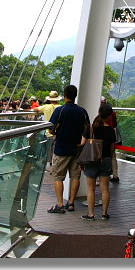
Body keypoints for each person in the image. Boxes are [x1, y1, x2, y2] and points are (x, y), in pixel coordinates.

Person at [46, 85, 90, 214]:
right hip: (77, 149)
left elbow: (51, 128)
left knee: (58, 177)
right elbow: (88, 128)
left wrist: (57, 133)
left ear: (64, 95)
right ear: (75, 95)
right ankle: (71, 202)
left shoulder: (60, 110)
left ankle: (60, 204)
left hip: (61, 148)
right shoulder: (82, 111)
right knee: (75, 176)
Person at [79, 104, 117, 220]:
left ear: (99, 111)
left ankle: (91, 214)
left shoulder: (90, 128)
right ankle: (105, 214)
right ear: (110, 115)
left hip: (91, 160)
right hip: (105, 160)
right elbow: (112, 149)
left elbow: (82, 144)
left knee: (91, 189)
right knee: (105, 188)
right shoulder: (111, 130)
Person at [33, 91, 62, 165]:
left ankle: (47, 164)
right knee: (56, 152)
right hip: (58, 133)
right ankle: (53, 165)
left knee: (47, 151)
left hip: (48, 132)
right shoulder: (61, 107)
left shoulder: (45, 107)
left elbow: (35, 109)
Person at [101, 96, 121, 182]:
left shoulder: (101, 112)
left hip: (103, 133)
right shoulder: (112, 112)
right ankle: (115, 175)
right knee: (113, 155)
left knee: (102, 155)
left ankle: (103, 174)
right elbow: (115, 124)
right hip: (112, 133)